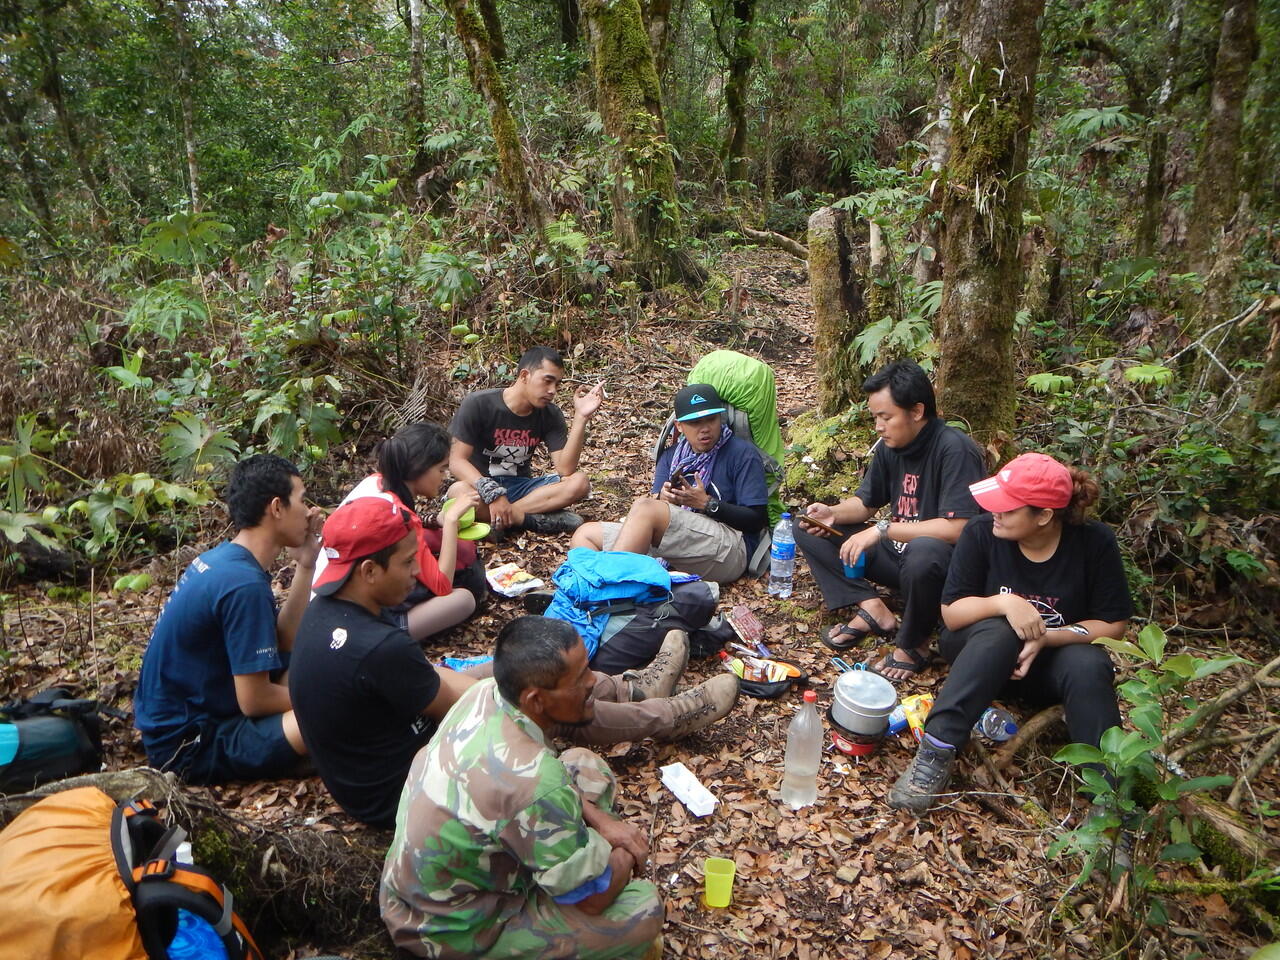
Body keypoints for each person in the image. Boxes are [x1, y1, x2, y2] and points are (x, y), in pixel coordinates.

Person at [290, 499, 740, 829]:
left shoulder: (328, 612)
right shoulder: (376, 645)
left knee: (513, 670)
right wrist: (532, 690)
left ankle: (631, 690)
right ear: (369, 570)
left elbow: (426, 683)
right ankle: (664, 716)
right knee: (546, 695)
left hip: (392, 750)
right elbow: (466, 699)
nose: (415, 572)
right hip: (407, 788)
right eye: (408, 562)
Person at [382, 616, 665, 960]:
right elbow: (594, 899)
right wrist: (627, 850)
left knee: (583, 764)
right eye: (579, 679)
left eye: (587, 668)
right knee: (644, 906)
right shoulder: (535, 781)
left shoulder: (484, 694)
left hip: (420, 896)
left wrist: (605, 825)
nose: (593, 683)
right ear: (536, 700)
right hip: (452, 935)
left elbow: (537, 787)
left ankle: (575, 855)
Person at [887, 453, 1134, 815]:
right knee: (1002, 631)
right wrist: (1005, 604)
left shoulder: (1093, 543)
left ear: (1044, 516)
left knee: (1089, 664)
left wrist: (1047, 636)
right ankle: (936, 751)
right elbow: (952, 614)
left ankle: (1108, 802)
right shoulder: (982, 532)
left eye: (1008, 508)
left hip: (1048, 664)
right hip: (980, 653)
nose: (995, 513)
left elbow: (1113, 624)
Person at [134, 454, 321, 783]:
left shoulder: (226, 560)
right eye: (302, 500)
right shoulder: (242, 584)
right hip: (188, 746)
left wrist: (306, 565)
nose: (308, 512)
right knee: (332, 713)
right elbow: (255, 700)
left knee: (315, 658)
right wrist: (330, 698)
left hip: (189, 719)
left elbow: (284, 643)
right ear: (276, 508)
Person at [795, 360, 986, 680]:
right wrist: (833, 514)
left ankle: (914, 645)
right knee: (806, 529)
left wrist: (882, 530)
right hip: (896, 558)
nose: (879, 427)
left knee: (924, 551)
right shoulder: (890, 447)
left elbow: (958, 528)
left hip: (939, 570)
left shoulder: (955, 450)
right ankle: (872, 607)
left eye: (886, 417)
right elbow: (866, 504)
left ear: (916, 411)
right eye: (875, 418)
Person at [571, 384, 768, 583]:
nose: (705, 428)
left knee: (646, 507)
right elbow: (657, 513)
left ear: (720, 418)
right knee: (586, 535)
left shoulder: (742, 454)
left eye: (711, 419)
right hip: (676, 544)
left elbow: (756, 520)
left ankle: (610, 592)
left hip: (730, 549)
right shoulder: (671, 456)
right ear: (680, 426)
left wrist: (708, 504)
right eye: (695, 422)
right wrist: (664, 499)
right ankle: (597, 587)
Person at [314, 422, 485, 641]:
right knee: (464, 599)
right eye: (441, 469)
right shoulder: (401, 517)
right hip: (351, 619)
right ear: (419, 467)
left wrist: (436, 521)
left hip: (324, 593)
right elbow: (442, 586)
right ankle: (390, 632)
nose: (444, 477)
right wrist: (451, 521)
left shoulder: (376, 483)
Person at [448, 346, 604, 536]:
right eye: (547, 381)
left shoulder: (550, 414)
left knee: (579, 482)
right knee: (458, 490)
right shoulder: (479, 403)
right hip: (480, 486)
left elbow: (565, 469)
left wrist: (581, 417)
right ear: (524, 376)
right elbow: (456, 461)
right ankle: (530, 520)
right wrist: (491, 491)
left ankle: (504, 520)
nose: (552, 390)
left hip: (522, 487)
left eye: (557, 384)